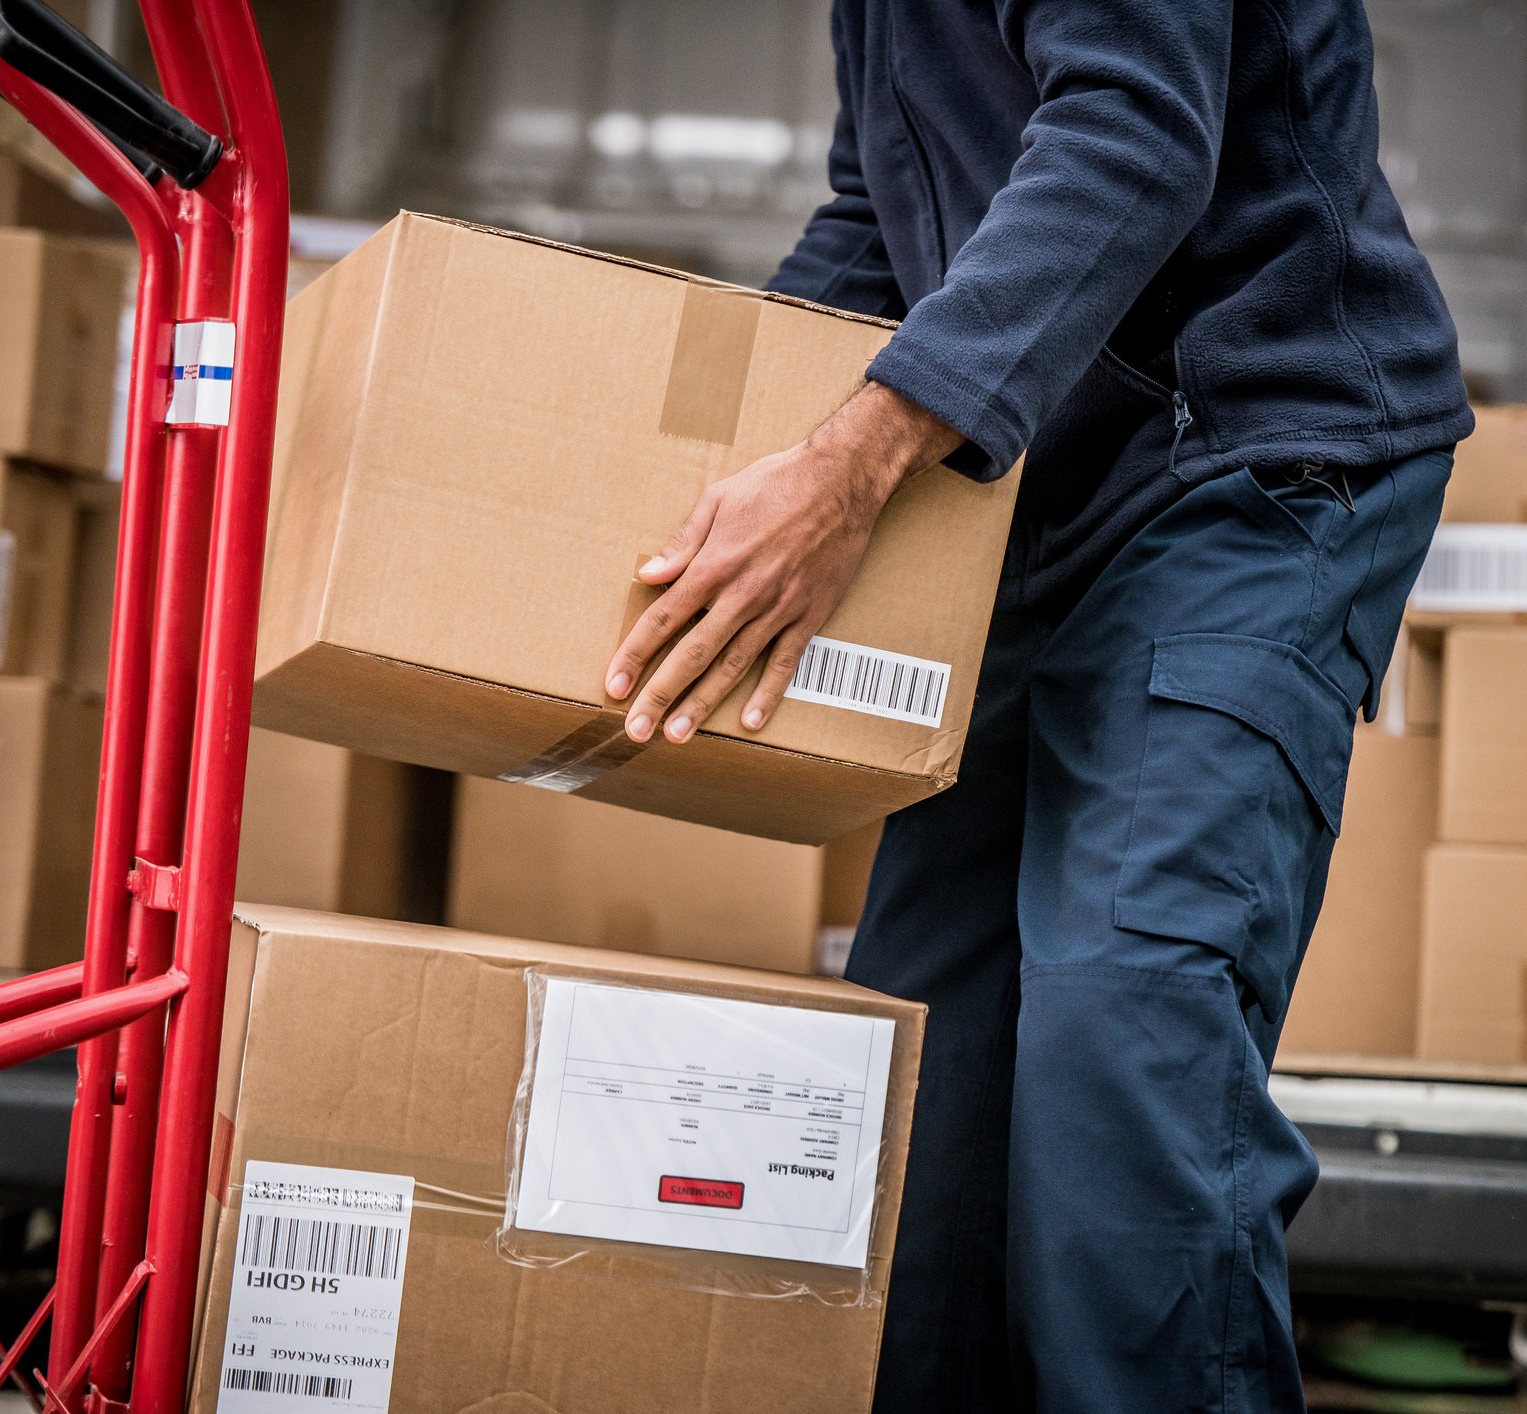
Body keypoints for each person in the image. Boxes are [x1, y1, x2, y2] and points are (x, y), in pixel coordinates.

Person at [602, 3, 1471, 1409]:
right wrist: (720, 462)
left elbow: (1133, 134)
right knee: (916, 1066)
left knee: (1121, 1028)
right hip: (1032, 487)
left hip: (1244, 459)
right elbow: (878, 214)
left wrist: (849, 468)